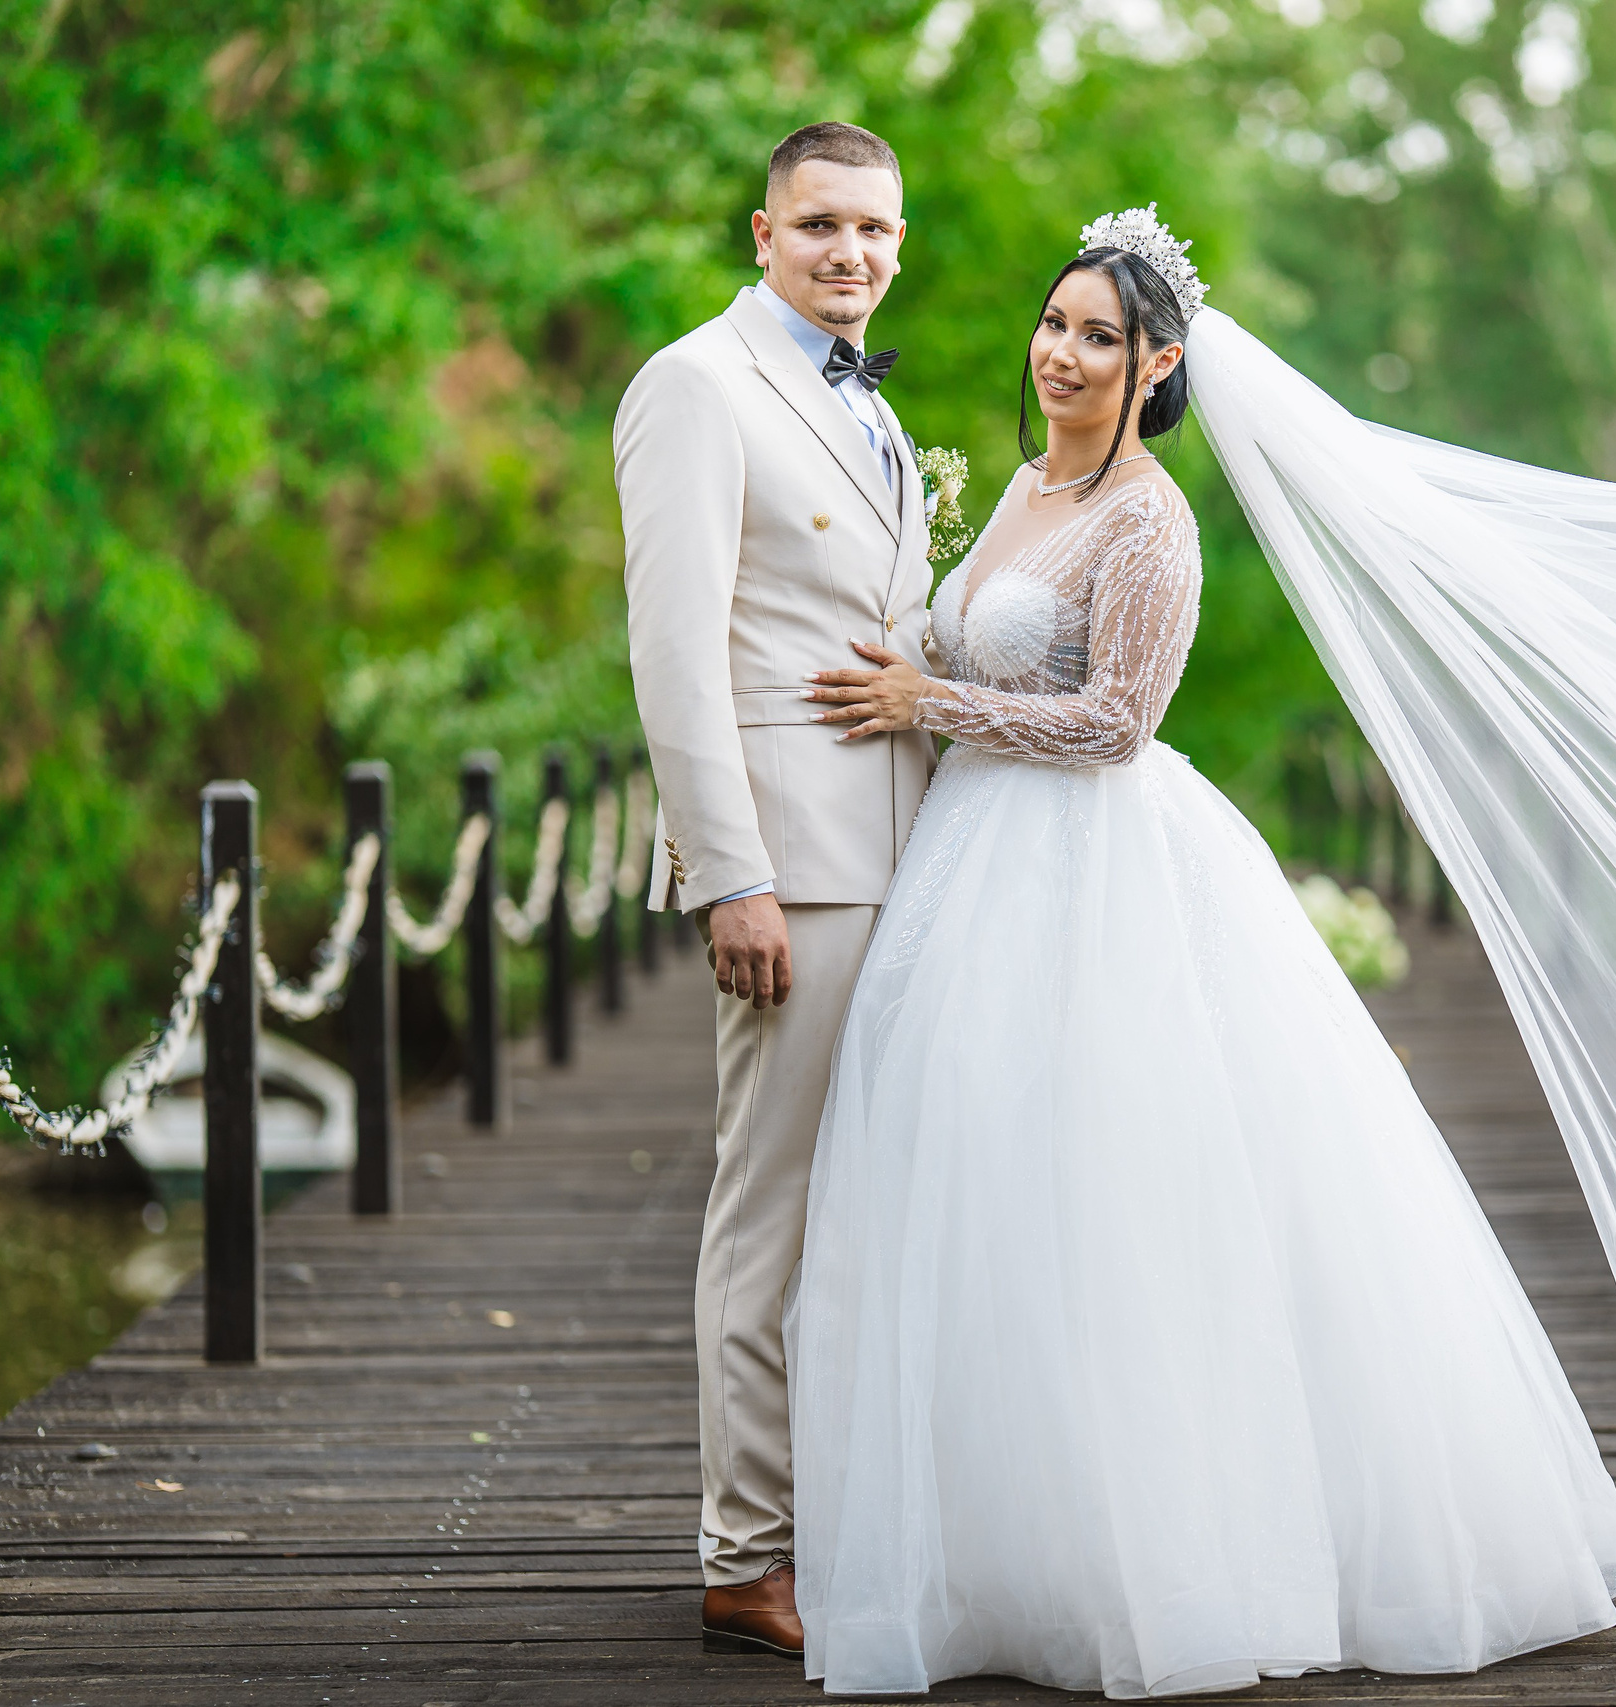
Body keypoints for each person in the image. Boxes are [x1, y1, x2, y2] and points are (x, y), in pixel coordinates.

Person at [789, 215, 1616, 1697]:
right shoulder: (1022, 485)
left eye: (1101, 338)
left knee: (1110, 1200)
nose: (1064, 355)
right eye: (1054, 325)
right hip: (967, 869)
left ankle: (1160, 1560)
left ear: (1160, 364)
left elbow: (1118, 724)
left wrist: (930, 705)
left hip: (1092, 878)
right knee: (976, 1185)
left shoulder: (1151, 522)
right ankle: (999, 1557)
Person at [614, 121, 935, 1658]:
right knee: (772, 1218)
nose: (849, 252)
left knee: (871, 1212)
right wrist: (727, 873)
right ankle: (746, 1557)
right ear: (763, 233)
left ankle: (840, 1523)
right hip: (793, 868)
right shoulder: (697, 385)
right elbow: (675, 652)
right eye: (819, 225)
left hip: (911, 855)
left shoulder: (870, 401)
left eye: (873, 229)